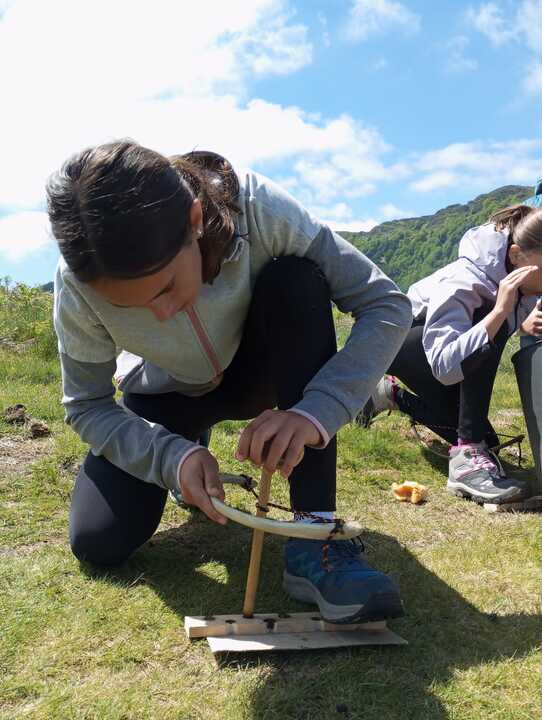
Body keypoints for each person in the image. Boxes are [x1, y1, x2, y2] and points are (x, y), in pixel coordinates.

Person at [47, 141, 412, 624]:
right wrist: (171, 456)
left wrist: (315, 412)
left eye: (165, 287)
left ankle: (315, 537)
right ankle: (190, 447)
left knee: (296, 279)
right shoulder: (78, 282)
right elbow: (88, 404)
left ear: (195, 220)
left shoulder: (258, 209)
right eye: (127, 307)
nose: (160, 314)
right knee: (99, 540)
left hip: (259, 377)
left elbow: (386, 305)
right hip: (165, 395)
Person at [360, 205, 542, 504]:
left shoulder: (521, 282)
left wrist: (520, 322)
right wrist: (499, 312)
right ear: (515, 255)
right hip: (402, 343)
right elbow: (445, 367)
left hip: (448, 356)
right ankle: (466, 459)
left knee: (487, 441)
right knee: (488, 318)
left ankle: (391, 395)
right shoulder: (465, 281)